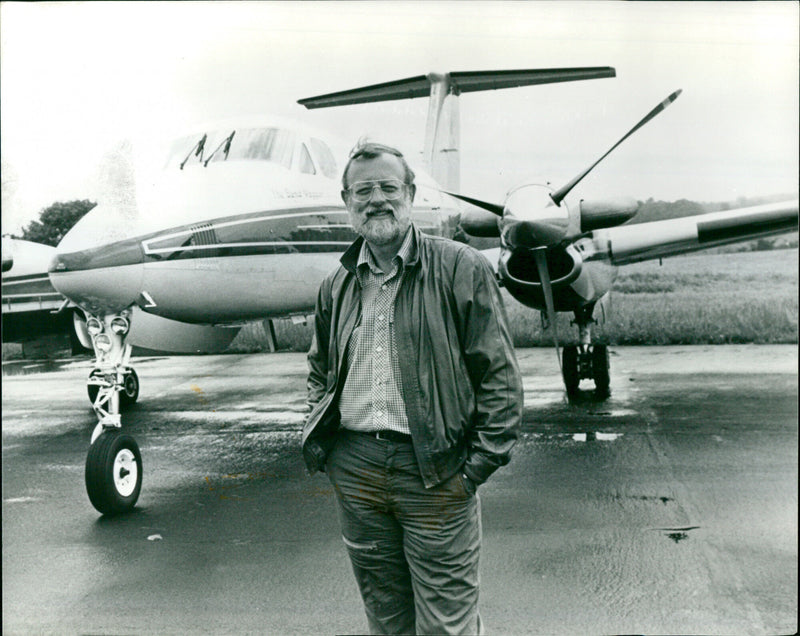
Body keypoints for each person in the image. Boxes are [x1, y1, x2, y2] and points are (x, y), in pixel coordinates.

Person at [302, 140, 523, 635]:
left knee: (447, 623)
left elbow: (500, 378)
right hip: (356, 471)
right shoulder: (336, 283)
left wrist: (473, 470)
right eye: (363, 191)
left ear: (410, 193)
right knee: (385, 618)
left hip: (436, 470)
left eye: (387, 187)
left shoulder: (460, 266)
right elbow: (320, 368)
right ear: (346, 201)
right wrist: (331, 449)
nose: (376, 199)